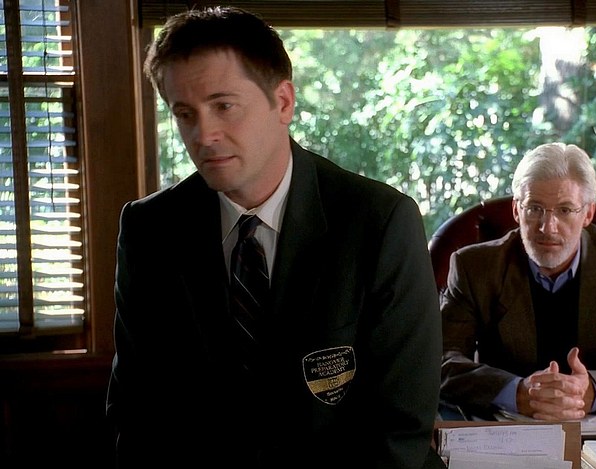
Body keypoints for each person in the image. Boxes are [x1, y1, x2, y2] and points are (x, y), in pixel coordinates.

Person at [105, 7, 444, 468]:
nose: (204, 135)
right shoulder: (151, 229)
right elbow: (137, 414)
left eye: (224, 106)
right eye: (185, 114)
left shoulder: (379, 221)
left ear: (283, 102)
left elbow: (400, 429)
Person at [439, 142, 596, 421]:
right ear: (516, 210)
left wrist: (592, 392)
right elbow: (442, 359)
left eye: (565, 210)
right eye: (534, 208)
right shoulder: (474, 267)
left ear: (588, 214)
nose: (547, 227)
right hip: (507, 426)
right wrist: (515, 393)